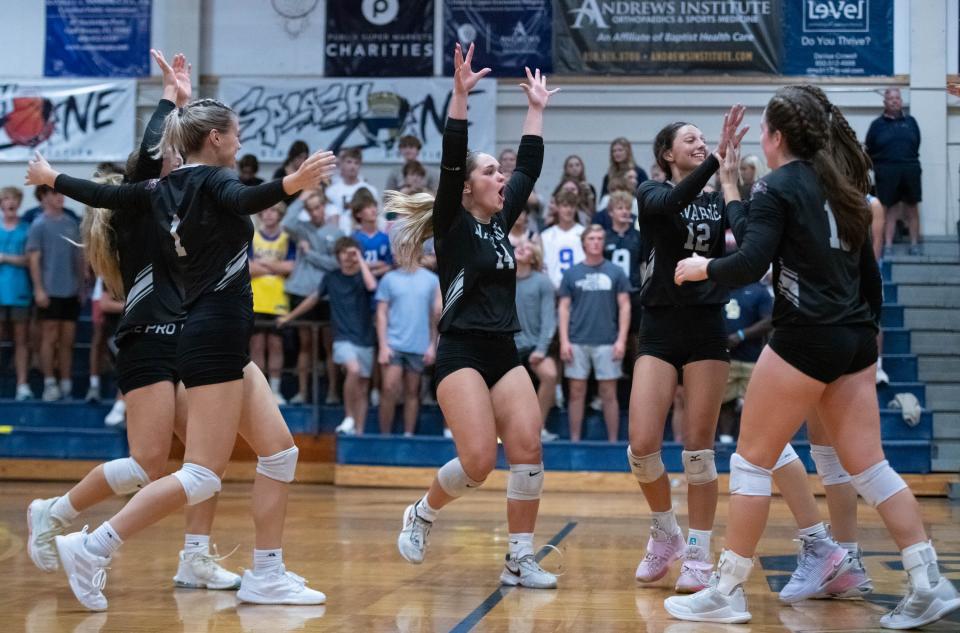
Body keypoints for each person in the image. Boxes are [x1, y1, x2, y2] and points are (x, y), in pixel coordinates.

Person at [26, 93, 336, 610]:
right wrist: (292, 184)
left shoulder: (158, 190)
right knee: (199, 473)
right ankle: (91, 545)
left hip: (218, 334)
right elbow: (244, 200)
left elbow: (102, 193)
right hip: (210, 333)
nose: (240, 140)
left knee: (279, 452)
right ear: (215, 138)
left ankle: (267, 574)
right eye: (235, 131)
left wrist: (53, 178)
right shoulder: (209, 181)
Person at [667, 85, 959, 629]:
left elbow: (750, 258)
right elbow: (869, 276)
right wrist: (729, 181)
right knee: (871, 468)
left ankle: (726, 590)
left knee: (751, 462)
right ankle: (928, 582)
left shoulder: (778, 186)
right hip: (853, 337)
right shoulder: (844, 186)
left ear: (774, 137)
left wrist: (700, 267)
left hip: (806, 336)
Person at [25, 49, 240, 596]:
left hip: (187, 337)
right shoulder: (141, 203)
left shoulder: (184, 202)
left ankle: (195, 558)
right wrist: (170, 97)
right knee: (148, 462)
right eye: (166, 157)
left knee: (204, 460)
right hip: (147, 337)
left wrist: (184, 102)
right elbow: (149, 154)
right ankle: (56, 511)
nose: (172, 159)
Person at [387, 45, 559, 588]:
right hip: (460, 349)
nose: (500, 175)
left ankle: (519, 558)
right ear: (467, 186)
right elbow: (452, 155)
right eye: (490, 171)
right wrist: (460, 96)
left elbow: (528, 167)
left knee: (528, 449)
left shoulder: (500, 222)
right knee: (480, 462)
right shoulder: (454, 222)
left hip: (503, 351)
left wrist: (537, 107)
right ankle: (423, 512)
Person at [628, 106, 748, 593]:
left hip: (705, 324)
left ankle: (699, 551)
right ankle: (666, 532)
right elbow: (675, 199)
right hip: (658, 323)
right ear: (667, 154)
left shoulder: (719, 197)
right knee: (641, 447)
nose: (700, 144)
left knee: (699, 451)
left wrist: (734, 179)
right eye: (690, 139)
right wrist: (715, 161)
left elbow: (749, 236)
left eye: (704, 139)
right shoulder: (650, 192)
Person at [280, 237, 377, 436]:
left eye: (352, 252)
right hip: (342, 337)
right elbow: (313, 299)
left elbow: (372, 286)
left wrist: (360, 259)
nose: (348, 257)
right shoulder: (331, 277)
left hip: (365, 337)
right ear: (337, 256)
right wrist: (289, 317)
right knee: (354, 370)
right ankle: (349, 416)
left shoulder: (364, 275)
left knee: (363, 387)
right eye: (344, 252)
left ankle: (358, 432)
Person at [558, 224, 630, 442]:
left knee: (609, 394)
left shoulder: (616, 272)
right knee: (576, 392)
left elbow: (625, 306)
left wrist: (621, 340)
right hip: (577, 340)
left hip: (608, 340)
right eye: (592, 238)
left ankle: (613, 442)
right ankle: (574, 441)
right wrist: (564, 341)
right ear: (583, 243)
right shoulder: (572, 273)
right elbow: (563, 308)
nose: (596, 242)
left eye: (600, 238)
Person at [282, 190, 343, 404]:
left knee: (329, 345)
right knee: (305, 345)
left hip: (326, 295)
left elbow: (336, 264)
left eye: (318, 207)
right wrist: (301, 198)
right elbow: (287, 221)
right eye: (311, 209)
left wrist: (310, 255)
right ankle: (302, 393)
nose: (316, 212)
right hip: (301, 291)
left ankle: (333, 393)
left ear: (324, 207)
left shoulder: (336, 233)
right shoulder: (302, 229)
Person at [26, 183, 83, 401]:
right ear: (44, 197)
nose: (61, 197)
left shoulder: (71, 223)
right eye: (55, 193)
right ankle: (50, 382)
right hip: (49, 291)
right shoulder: (38, 225)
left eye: (62, 192)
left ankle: (66, 382)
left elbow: (79, 258)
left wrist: (80, 286)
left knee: (67, 339)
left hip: (70, 291)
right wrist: (39, 289)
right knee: (49, 338)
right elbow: (33, 260)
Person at [375, 261, 440, 435]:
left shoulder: (432, 280)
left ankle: (408, 434)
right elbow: (381, 314)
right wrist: (383, 345)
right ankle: (385, 436)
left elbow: (435, 316)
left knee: (412, 392)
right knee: (389, 388)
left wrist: (432, 345)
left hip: (419, 345)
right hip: (393, 344)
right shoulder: (388, 278)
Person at [865, 87, 923, 255]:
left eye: (897, 98)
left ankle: (914, 245)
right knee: (888, 209)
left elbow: (916, 142)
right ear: (885, 102)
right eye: (891, 98)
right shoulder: (876, 125)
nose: (895, 101)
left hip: (910, 168)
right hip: (886, 170)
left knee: (912, 207)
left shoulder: (911, 122)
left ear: (901, 101)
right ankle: (887, 246)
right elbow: (869, 148)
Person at [249, 201, 296, 404]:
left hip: (279, 298)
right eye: (265, 210)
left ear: (280, 214)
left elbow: (291, 266)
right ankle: (259, 391)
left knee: (276, 345)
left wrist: (263, 264)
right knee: (257, 346)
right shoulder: (251, 236)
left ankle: (275, 390)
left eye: (273, 211)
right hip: (255, 298)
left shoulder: (288, 238)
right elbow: (248, 267)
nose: (269, 214)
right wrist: (276, 267)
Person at [717, 279, 772, 443]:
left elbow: (769, 321)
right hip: (725, 359)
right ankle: (725, 441)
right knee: (724, 402)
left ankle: (750, 442)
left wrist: (741, 336)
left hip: (752, 359)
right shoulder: (719, 289)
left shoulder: (759, 291)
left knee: (754, 405)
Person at [514, 240, 558, 441]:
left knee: (550, 374)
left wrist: (541, 349)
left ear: (534, 259)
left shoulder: (542, 282)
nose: (521, 248)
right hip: (508, 347)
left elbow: (549, 320)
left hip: (534, 346)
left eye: (527, 248)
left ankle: (537, 428)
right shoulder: (502, 280)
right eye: (518, 247)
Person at [603, 190, 643, 366]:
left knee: (636, 339)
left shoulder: (637, 236)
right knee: (611, 339)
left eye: (627, 208)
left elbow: (643, 265)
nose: (624, 211)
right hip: (609, 295)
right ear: (611, 212)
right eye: (619, 208)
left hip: (633, 293)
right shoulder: (604, 236)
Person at [0, 186, 31, 400]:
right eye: (5, 199)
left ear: (19, 203)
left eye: (13, 199)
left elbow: (30, 260)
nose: (10, 202)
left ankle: (22, 384)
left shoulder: (27, 228)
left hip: (20, 292)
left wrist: (5, 258)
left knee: (21, 340)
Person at [327, 147, 379, 234]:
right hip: (339, 236)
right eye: (349, 162)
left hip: (363, 236)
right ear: (342, 164)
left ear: (360, 166)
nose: (352, 166)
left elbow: (376, 216)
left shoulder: (370, 190)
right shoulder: (331, 191)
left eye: (356, 163)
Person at [541, 189, 584, 289]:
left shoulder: (584, 233)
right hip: (554, 289)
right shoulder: (546, 236)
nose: (569, 210)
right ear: (558, 208)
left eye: (572, 206)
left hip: (579, 289)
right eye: (565, 206)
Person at [272, 140, 309, 205]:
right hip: (281, 208)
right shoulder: (280, 173)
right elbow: (274, 196)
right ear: (292, 156)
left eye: (305, 158)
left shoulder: (306, 174)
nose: (303, 161)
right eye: (300, 157)